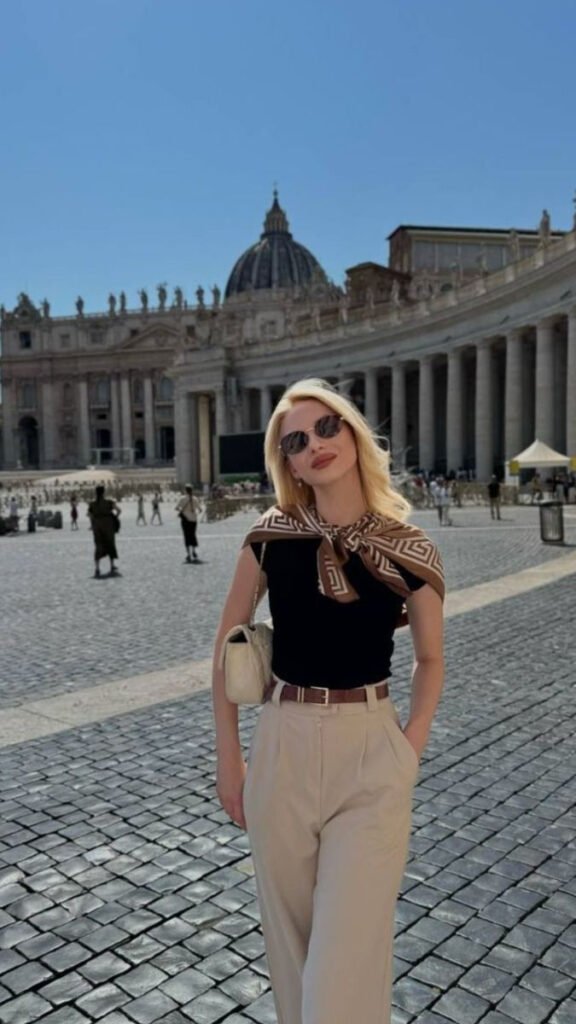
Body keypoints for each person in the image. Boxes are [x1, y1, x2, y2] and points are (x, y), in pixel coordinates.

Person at [212, 378, 445, 1024]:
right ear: (286, 464)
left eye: (325, 427)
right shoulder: (271, 537)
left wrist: (408, 748)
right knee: (293, 964)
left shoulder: (411, 547)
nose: (314, 444)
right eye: (295, 441)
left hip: (371, 753)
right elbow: (227, 645)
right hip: (281, 745)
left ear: (351, 432)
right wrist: (229, 758)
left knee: (340, 974)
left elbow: (430, 659)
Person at [87, 485, 121, 578]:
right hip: (108, 526)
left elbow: (89, 515)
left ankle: (97, 568)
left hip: (97, 527)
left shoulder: (92, 504)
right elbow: (119, 510)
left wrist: (93, 523)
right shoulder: (109, 502)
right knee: (110, 544)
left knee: (98, 546)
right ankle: (112, 565)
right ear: (103, 493)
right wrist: (114, 518)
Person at [176, 485, 200, 562]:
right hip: (193, 519)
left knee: (186, 536)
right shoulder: (195, 498)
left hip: (185, 519)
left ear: (185, 491)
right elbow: (200, 509)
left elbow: (177, 508)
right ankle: (194, 551)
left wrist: (183, 511)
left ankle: (188, 554)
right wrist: (194, 513)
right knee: (193, 534)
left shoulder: (182, 498)